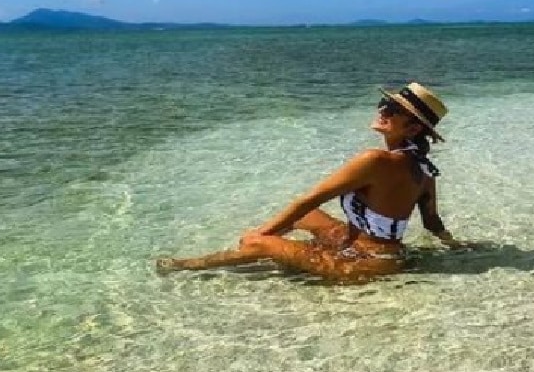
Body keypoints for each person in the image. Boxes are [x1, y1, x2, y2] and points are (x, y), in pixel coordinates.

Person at [156, 82, 456, 280]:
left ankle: (189, 265)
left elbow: (308, 199)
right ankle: (291, 254)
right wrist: (455, 246)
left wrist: (261, 234)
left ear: (414, 127)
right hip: (386, 255)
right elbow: (431, 221)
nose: (382, 110)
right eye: (383, 103)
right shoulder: (424, 168)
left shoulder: (375, 160)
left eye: (393, 110)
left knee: (262, 242)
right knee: (308, 220)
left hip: (365, 263)